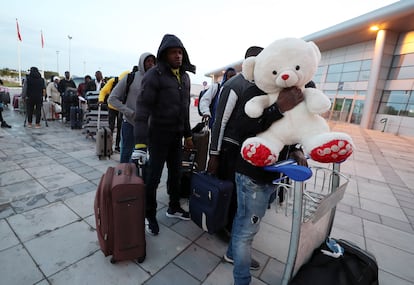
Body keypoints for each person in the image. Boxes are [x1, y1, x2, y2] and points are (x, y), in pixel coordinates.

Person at [224, 82, 308, 285]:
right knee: (247, 230)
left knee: (246, 219)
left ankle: (233, 253)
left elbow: (292, 127)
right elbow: (242, 129)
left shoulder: (296, 91)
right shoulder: (257, 89)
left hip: (275, 173)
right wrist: (277, 108)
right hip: (252, 175)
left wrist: (296, 148)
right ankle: (242, 280)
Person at [132, 34, 195, 236]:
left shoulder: (185, 77)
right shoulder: (154, 75)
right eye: (173, 52)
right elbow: (142, 111)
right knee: (152, 178)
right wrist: (140, 145)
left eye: (180, 52)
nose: (177, 56)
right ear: (164, 54)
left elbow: (184, 110)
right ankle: (148, 215)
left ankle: (173, 207)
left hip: (176, 137)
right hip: (157, 136)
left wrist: (188, 135)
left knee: (176, 175)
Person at [108, 53, 156, 161]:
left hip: (147, 127)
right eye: (148, 61)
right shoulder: (131, 77)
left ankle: (138, 177)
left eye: (153, 61)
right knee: (126, 155)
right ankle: (123, 177)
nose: (151, 64)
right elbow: (112, 99)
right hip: (130, 124)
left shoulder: (156, 80)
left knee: (142, 159)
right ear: (142, 62)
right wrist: (129, 112)